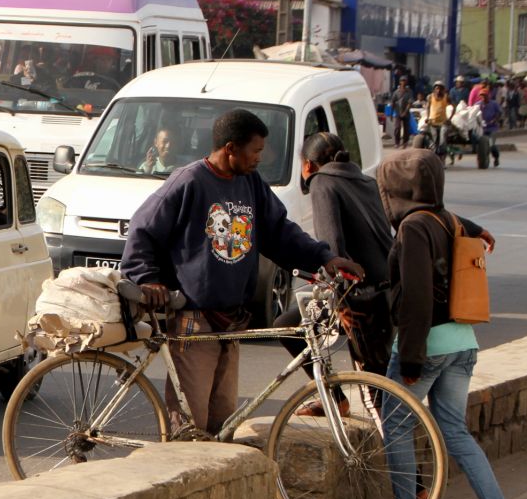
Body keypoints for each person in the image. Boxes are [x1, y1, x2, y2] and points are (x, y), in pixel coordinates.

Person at [120, 109, 364, 435]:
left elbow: (280, 232)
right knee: (190, 425)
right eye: (256, 151)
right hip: (196, 319)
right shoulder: (189, 182)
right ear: (231, 148)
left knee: (224, 422)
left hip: (231, 319)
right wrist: (147, 277)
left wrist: (325, 259)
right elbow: (143, 229)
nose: (259, 158)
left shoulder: (250, 183)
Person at [371, 148, 516, 499]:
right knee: (454, 430)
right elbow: (458, 226)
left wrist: (413, 356)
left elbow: (416, 296)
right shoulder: (449, 221)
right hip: (462, 342)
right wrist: (478, 228)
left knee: (396, 424)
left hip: (428, 345)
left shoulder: (413, 227)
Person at [272, 132, 394, 416]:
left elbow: (333, 249)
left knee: (375, 398)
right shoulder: (367, 181)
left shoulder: (322, 182)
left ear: (308, 165)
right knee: (295, 324)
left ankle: (336, 399)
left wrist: (340, 299)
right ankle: (333, 397)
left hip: (358, 295)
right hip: (385, 290)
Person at [424, 81, 452, 155]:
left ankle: (442, 157)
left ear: (443, 89)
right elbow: (428, 107)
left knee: (442, 141)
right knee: (434, 140)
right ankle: (434, 156)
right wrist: (427, 117)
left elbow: (454, 107)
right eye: (436, 88)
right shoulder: (430, 97)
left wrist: (450, 119)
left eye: (440, 89)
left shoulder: (446, 97)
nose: (438, 90)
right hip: (433, 122)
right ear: (434, 89)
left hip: (443, 122)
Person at [477, 89, 502, 167]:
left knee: (491, 144)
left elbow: (499, 113)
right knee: (482, 144)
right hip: (482, 128)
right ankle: (483, 158)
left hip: (492, 128)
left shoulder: (494, 104)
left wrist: (494, 120)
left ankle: (496, 157)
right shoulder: (478, 105)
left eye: (485, 95)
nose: (483, 97)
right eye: (482, 96)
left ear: (488, 96)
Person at [390, 77, 414, 149]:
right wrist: (391, 113)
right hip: (398, 112)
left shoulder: (409, 92)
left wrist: (405, 112)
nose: (403, 82)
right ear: (400, 82)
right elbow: (393, 102)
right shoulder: (396, 92)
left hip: (406, 113)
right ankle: (397, 142)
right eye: (402, 81)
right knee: (397, 127)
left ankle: (405, 142)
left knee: (406, 128)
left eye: (404, 81)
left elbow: (410, 103)